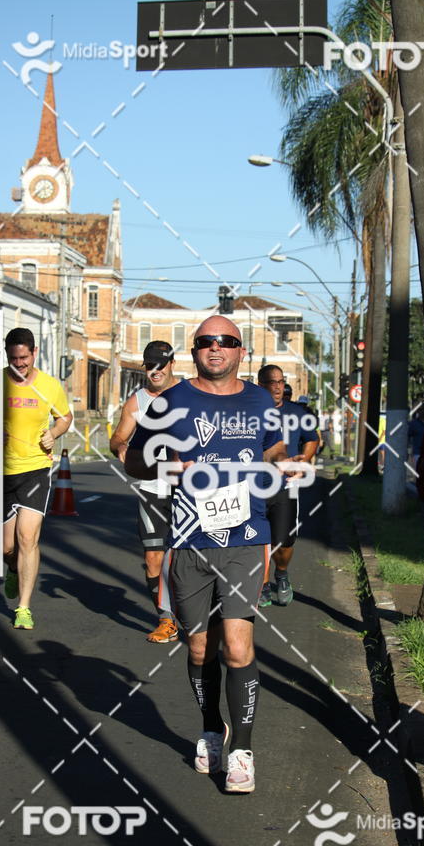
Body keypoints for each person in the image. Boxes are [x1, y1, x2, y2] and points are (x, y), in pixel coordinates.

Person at [126, 315, 299, 793]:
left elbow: (273, 446)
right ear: (194, 350)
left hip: (246, 535)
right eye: (205, 342)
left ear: (241, 351)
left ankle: (242, 751)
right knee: (200, 647)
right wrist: (168, 459)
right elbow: (133, 457)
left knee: (239, 645)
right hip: (189, 541)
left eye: (225, 342)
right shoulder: (173, 401)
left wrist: (277, 466)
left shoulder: (259, 399)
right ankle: (210, 727)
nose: (215, 348)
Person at [110, 340, 180, 643]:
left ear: (172, 363)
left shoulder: (190, 394)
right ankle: (166, 619)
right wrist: (121, 447)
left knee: (185, 558)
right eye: (149, 365)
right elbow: (117, 437)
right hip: (151, 488)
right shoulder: (137, 402)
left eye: (160, 365)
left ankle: (196, 610)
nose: (154, 371)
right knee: (153, 557)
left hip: (187, 489)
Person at [3, 328, 72, 629]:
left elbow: (65, 417)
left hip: (35, 469)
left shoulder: (48, 385)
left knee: (28, 537)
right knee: (7, 547)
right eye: (14, 359)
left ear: (33, 353)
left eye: (24, 358)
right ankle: (11, 568)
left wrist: (53, 433)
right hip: (2, 472)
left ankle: (24, 608)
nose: (19, 364)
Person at [258, 366, 319, 606]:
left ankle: (281, 574)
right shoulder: (250, 412)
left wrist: (303, 461)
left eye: (281, 382)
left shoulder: (296, 412)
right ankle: (261, 585)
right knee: (259, 538)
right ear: (260, 384)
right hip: (255, 484)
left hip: (286, 485)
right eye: (271, 383)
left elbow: (312, 440)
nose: (277, 387)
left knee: (283, 541)